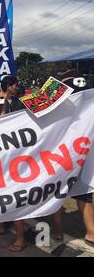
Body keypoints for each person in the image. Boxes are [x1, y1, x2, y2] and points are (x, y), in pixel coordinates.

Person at [51, 70, 94, 247]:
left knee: (56, 193)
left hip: (62, 156)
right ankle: (91, 232)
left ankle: (58, 230)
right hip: (80, 155)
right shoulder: (89, 105)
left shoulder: (61, 104)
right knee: (84, 195)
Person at [0, 75, 27, 252]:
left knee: (15, 195)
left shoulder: (18, 103)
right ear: (9, 86)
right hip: (1, 158)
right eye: (15, 85)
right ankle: (2, 226)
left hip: (15, 157)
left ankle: (20, 237)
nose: (17, 88)